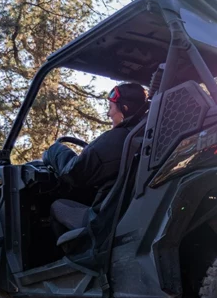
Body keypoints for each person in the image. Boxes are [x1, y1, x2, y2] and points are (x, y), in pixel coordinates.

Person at [43, 82, 148, 233]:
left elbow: (73, 173)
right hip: (132, 215)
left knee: (57, 206)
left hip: (105, 222)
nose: (108, 114)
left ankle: (69, 255)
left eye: (111, 108)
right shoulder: (149, 134)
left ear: (124, 109)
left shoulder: (119, 139)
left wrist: (54, 151)